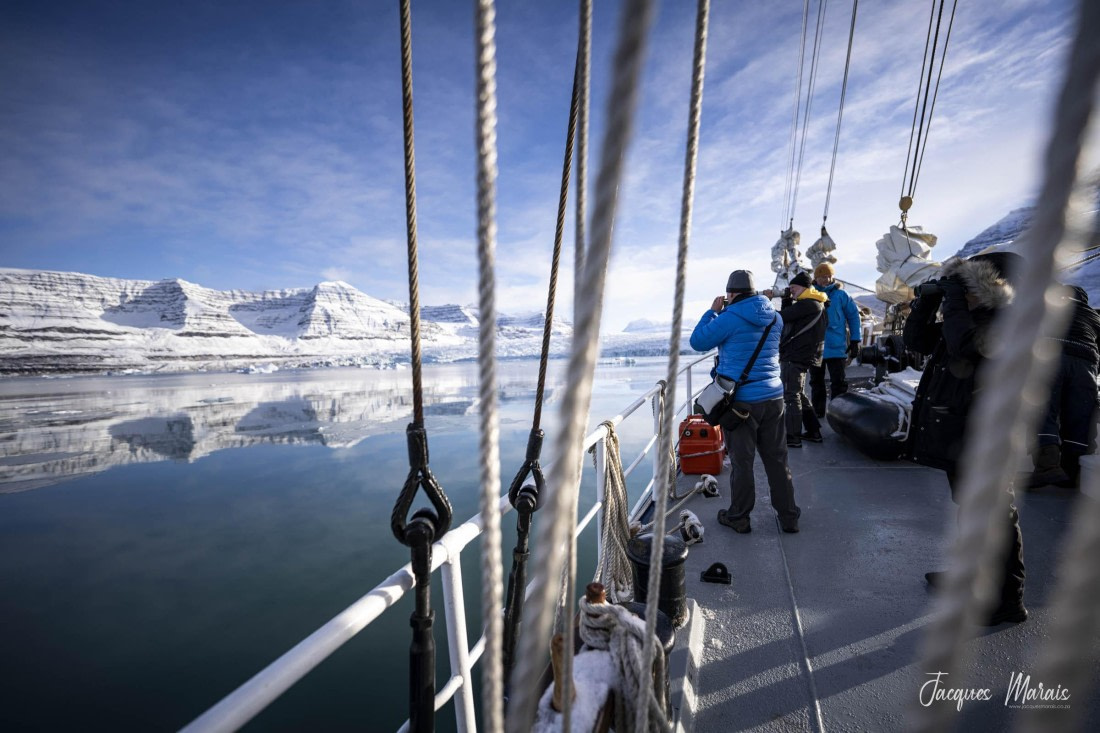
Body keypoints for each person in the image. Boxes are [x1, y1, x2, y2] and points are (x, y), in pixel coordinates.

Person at [903, 251, 1028, 625]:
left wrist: (954, 298)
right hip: (963, 429)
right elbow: (917, 342)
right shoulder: (967, 318)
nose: (961, 295)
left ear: (989, 288)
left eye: (967, 287)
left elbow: (967, 347)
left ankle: (1007, 600)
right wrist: (926, 303)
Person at [690, 269, 801, 534]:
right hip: (774, 398)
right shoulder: (775, 318)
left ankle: (739, 517)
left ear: (731, 294)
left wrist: (711, 311)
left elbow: (698, 341)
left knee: (742, 463)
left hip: (741, 403)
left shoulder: (728, 317)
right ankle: (789, 518)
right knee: (777, 460)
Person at [1029, 284, 1100, 488]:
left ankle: (1047, 467)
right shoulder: (1094, 316)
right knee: (1080, 415)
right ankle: (1072, 471)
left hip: (1051, 355)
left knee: (1043, 409)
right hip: (1086, 361)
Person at [764, 271, 828, 447]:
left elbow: (778, 318)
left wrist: (766, 301)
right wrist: (786, 300)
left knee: (791, 396)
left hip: (796, 355)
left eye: (793, 288)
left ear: (804, 287)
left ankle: (792, 436)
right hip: (803, 354)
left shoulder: (809, 304)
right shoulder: (815, 303)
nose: (790, 291)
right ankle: (813, 431)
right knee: (798, 393)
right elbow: (788, 318)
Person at [808, 262, 862, 418]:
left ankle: (838, 413)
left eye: (829, 276)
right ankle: (818, 413)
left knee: (838, 382)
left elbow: (853, 317)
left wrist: (855, 340)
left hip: (836, 347)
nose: (826, 279)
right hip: (815, 348)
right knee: (816, 383)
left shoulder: (841, 295)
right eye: (822, 276)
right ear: (816, 278)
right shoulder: (810, 294)